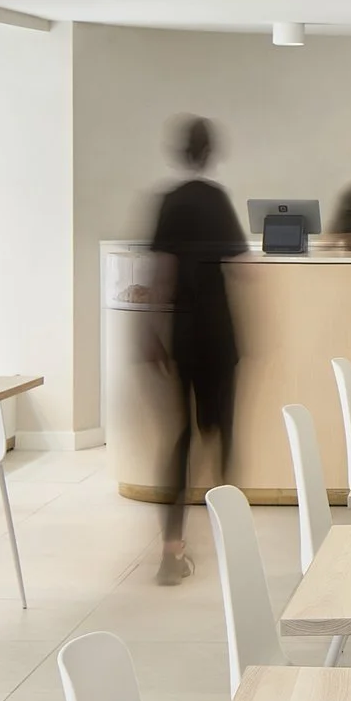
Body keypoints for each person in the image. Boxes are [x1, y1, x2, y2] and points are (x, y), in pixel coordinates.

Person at [146, 117, 245, 586]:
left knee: (181, 437)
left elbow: (161, 271)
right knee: (222, 431)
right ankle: (232, 540)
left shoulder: (169, 201)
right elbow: (241, 266)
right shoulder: (217, 200)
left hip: (182, 331)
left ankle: (171, 549)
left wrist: (152, 333)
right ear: (211, 151)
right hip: (219, 330)